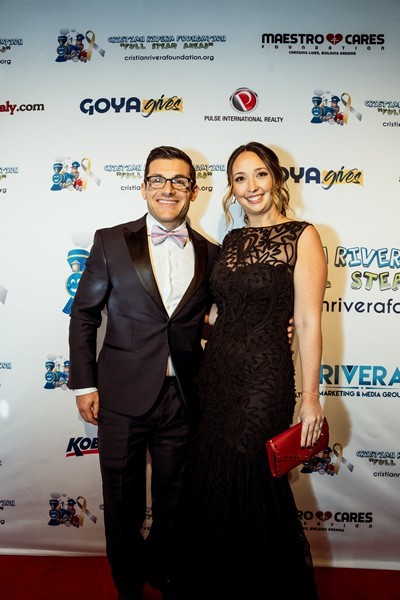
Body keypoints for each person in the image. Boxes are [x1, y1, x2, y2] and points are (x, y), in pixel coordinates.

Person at [68, 145, 220, 600]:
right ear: (143, 187)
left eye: (179, 181)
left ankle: (165, 572)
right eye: (158, 179)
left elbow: (219, 318)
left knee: (177, 499)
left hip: (184, 398)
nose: (168, 189)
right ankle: (128, 584)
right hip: (120, 395)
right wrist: (85, 383)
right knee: (121, 500)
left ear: (193, 190)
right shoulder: (111, 241)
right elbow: (85, 315)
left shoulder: (212, 254)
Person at [177, 141, 327, 599]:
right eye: (240, 179)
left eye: (259, 174)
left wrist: (310, 397)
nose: (251, 186)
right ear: (231, 189)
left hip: (265, 378)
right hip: (216, 375)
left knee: (253, 478)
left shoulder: (303, 236)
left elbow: (307, 322)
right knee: (212, 476)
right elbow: (223, 314)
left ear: (276, 178)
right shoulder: (231, 242)